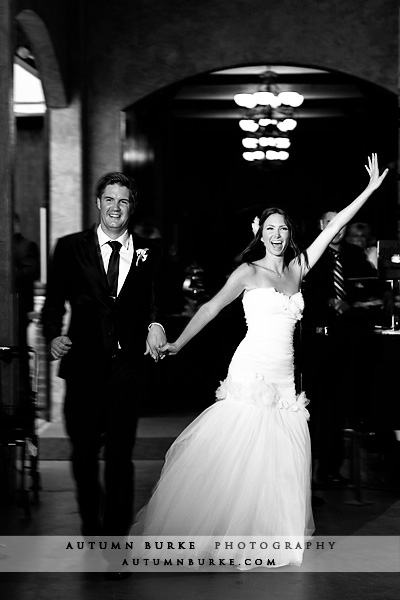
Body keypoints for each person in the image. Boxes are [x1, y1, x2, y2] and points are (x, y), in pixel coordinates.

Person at [132, 155, 387, 569]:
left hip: (284, 376)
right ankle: (220, 532)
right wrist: (178, 341)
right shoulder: (247, 273)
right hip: (251, 368)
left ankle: (272, 537)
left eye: (283, 228)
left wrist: (371, 190)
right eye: (269, 228)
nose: (276, 234)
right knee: (240, 452)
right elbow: (212, 308)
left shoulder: (297, 269)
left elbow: (336, 225)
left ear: (289, 234)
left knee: (280, 456)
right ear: (259, 233)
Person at [41, 172, 166, 546]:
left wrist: (156, 323)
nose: (116, 207)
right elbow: (52, 306)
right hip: (82, 367)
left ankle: (115, 543)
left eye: (123, 201)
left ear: (131, 206)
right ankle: (91, 526)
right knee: (81, 454)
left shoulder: (151, 251)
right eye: (109, 199)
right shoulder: (69, 247)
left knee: (119, 456)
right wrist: (54, 336)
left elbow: (157, 300)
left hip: (128, 370)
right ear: (98, 204)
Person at [301, 208, 378, 487]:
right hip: (314, 342)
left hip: (347, 341)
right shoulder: (309, 255)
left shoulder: (354, 256)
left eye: (342, 222)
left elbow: (372, 291)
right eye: (331, 222)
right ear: (321, 225)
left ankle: (331, 469)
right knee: (310, 408)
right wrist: (326, 304)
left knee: (337, 407)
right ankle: (303, 471)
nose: (338, 227)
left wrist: (354, 305)